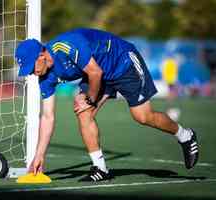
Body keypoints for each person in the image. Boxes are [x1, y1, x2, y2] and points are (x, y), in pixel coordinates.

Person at [15, 28, 199, 182]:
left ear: (41, 55)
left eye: (31, 67)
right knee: (83, 113)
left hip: (123, 62)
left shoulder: (67, 46)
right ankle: (100, 168)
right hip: (98, 72)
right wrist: (39, 155)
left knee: (142, 116)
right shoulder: (45, 78)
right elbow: (48, 116)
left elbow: (95, 73)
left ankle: (185, 135)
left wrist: (90, 99)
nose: (32, 73)